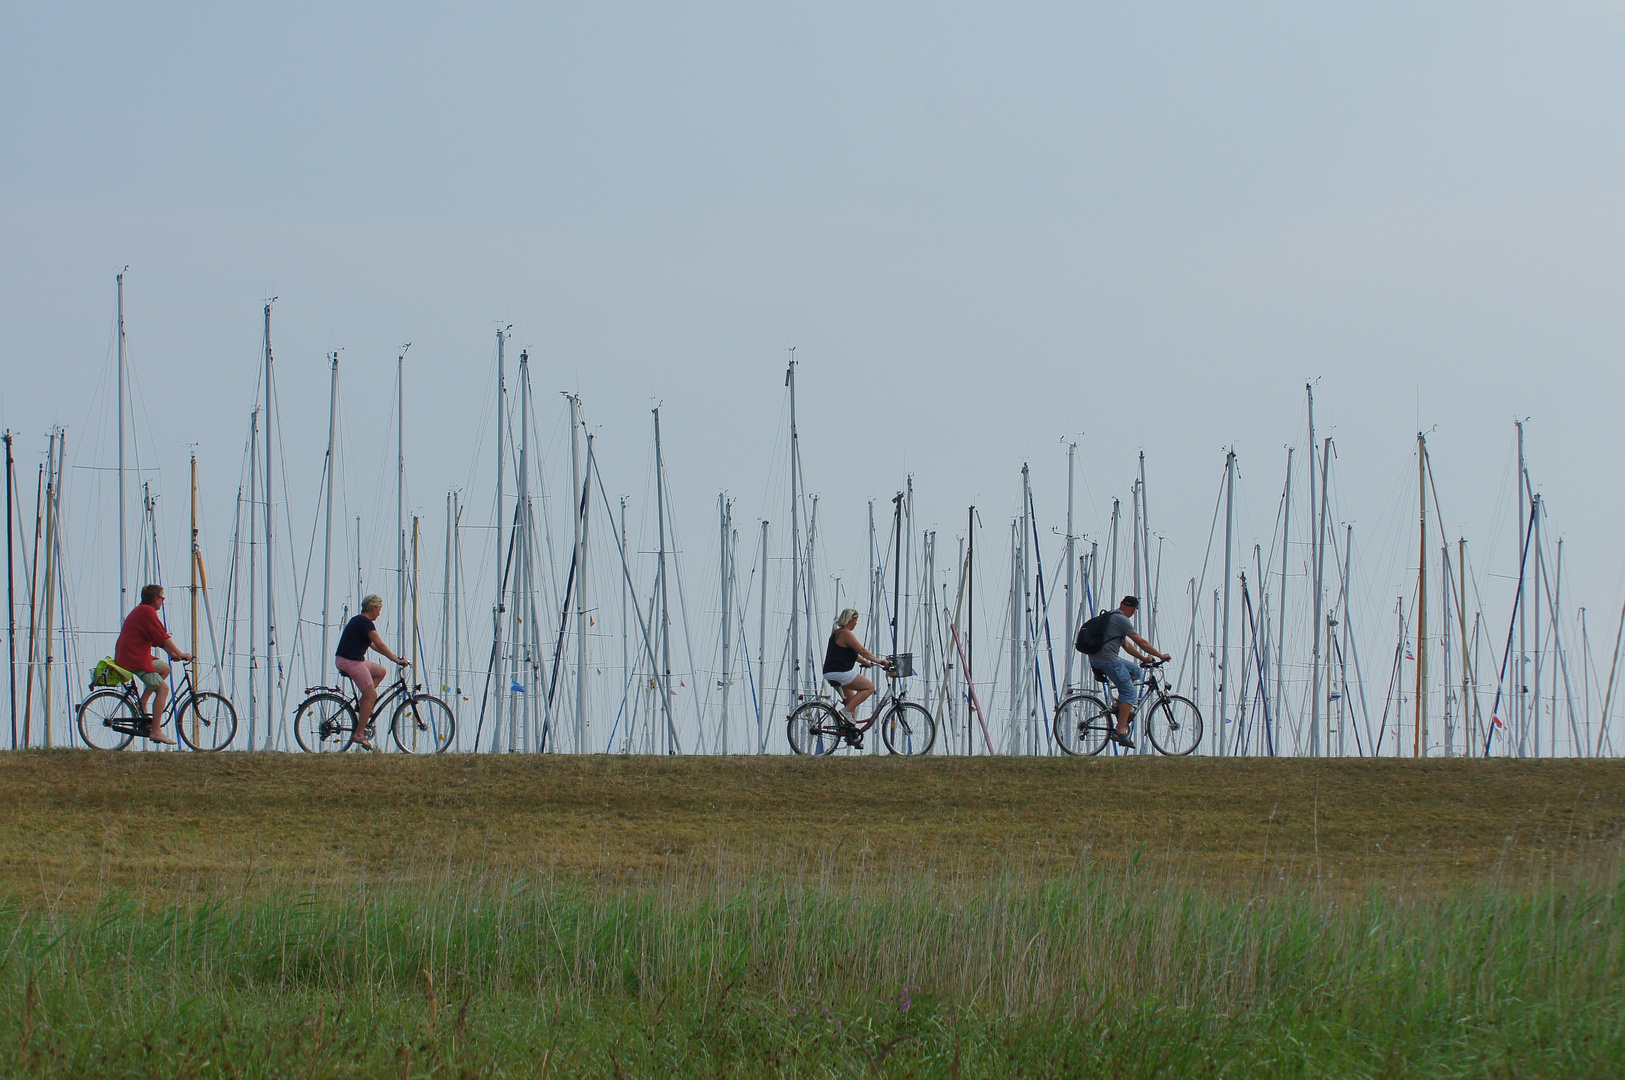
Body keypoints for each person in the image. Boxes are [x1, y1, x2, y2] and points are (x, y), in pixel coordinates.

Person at [1084, 595, 1170, 749]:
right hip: (1108, 660)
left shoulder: (1111, 617)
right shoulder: (1122, 620)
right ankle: (1120, 731)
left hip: (1098, 659)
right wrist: (1160, 655)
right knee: (1130, 693)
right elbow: (1140, 641)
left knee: (1135, 670)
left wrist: (1143, 658)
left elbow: (1126, 645)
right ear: (1134, 608)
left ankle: (1120, 706)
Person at [113, 584, 194, 745]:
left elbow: (156, 637)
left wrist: (172, 654)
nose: (162, 602)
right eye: (162, 598)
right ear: (155, 599)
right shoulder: (147, 612)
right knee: (163, 689)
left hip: (133, 654)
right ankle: (156, 731)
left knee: (164, 669)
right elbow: (162, 636)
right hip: (134, 658)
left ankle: (143, 701)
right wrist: (181, 653)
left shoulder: (142, 610)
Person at [334, 594, 409, 751]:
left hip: (351, 660)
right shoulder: (365, 622)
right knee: (372, 696)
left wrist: (394, 657)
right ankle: (359, 734)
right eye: (379, 610)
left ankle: (364, 704)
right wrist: (397, 661)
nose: (379, 614)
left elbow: (374, 645)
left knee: (380, 671)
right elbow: (380, 644)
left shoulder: (359, 620)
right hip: (351, 662)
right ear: (373, 608)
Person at [822, 608, 891, 746]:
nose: (856, 624)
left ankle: (851, 736)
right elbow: (862, 650)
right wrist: (879, 661)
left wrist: (865, 662)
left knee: (851, 702)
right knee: (870, 687)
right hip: (840, 672)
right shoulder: (846, 633)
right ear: (851, 620)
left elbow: (851, 653)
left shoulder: (836, 633)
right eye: (856, 620)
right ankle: (846, 711)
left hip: (830, 672)